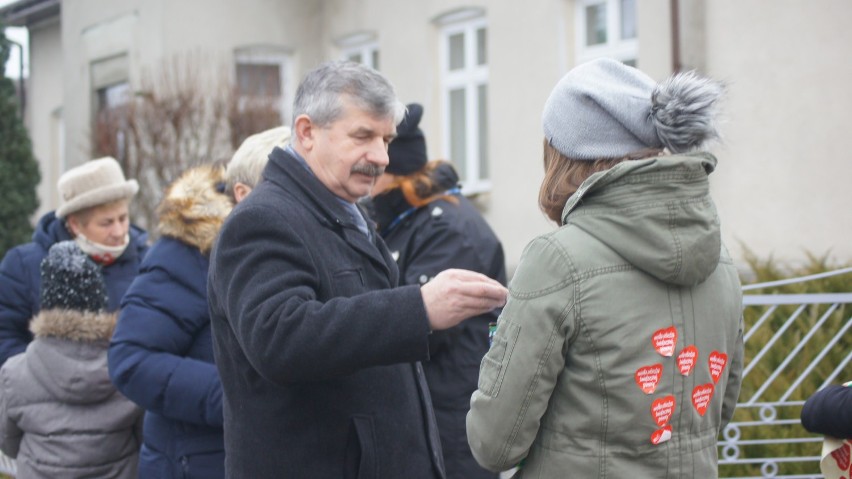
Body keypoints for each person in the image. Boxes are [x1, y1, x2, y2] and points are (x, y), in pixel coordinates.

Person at [207, 60, 508, 478]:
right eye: (363, 136)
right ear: (307, 132)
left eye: (386, 139)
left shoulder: (346, 213)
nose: (381, 157)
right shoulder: (262, 220)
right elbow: (279, 338)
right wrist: (419, 308)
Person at [466, 58, 744, 478]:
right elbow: (714, 415)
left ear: (565, 155)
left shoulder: (557, 260)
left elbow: (495, 442)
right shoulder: (720, 261)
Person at [108, 126, 291, 479]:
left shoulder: (297, 247)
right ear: (244, 193)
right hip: (198, 462)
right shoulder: (189, 253)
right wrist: (239, 398)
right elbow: (131, 359)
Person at [364, 103, 506, 479]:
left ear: (391, 172)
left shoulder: (448, 230)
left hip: (451, 430)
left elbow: (424, 333)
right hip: (426, 422)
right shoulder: (404, 220)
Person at [0, 241, 143, 478]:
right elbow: (143, 435)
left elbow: (8, 442)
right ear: (99, 302)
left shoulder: (13, 374)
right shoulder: (127, 368)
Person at [0, 156, 148, 366]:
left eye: (123, 218)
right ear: (75, 225)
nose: (118, 231)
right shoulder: (22, 266)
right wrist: (48, 375)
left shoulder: (148, 262)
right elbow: (5, 337)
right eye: (106, 223)